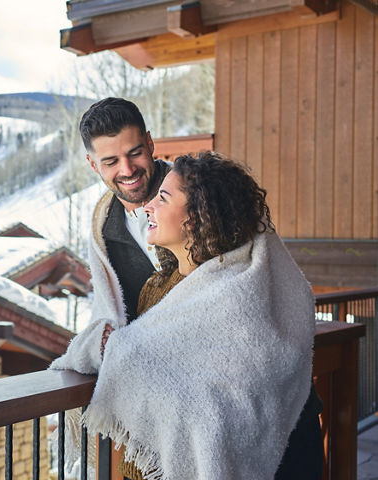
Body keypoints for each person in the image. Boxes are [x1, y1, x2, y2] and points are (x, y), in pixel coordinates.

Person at [52, 152, 321, 480]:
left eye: (163, 198)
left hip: (286, 463)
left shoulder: (239, 293)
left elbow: (221, 392)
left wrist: (111, 346)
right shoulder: (159, 285)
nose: (148, 206)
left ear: (198, 214)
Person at [78, 98, 169, 326]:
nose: (127, 170)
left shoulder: (200, 196)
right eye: (111, 162)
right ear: (93, 165)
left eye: (135, 153)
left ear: (149, 143)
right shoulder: (104, 233)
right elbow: (108, 316)